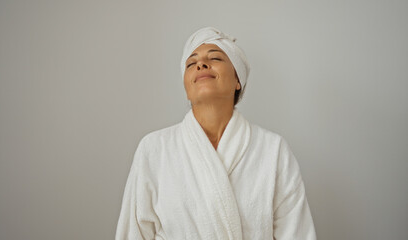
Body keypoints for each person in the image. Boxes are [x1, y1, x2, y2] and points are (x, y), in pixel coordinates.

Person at [115, 27, 317, 240]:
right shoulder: (154, 149)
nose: (201, 64)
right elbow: (133, 234)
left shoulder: (273, 150)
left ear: (238, 80)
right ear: (186, 85)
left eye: (215, 58)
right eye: (191, 63)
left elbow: (298, 234)